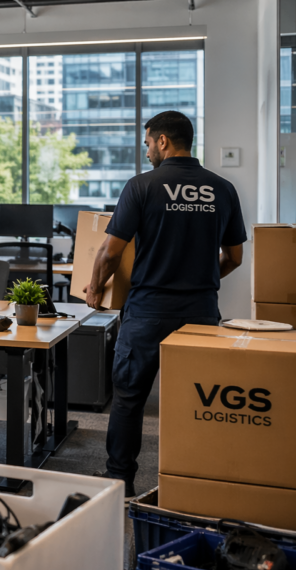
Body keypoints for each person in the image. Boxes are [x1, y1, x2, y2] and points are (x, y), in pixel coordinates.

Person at [83, 110, 246, 498]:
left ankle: (119, 482)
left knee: (129, 400)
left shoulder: (142, 186)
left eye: (147, 144)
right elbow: (235, 257)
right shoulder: (222, 189)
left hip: (147, 312)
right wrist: (200, 282)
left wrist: (94, 289)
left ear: (162, 141)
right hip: (202, 316)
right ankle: (191, 482)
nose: (147, 152)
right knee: (199, 403)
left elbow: (110, 252)